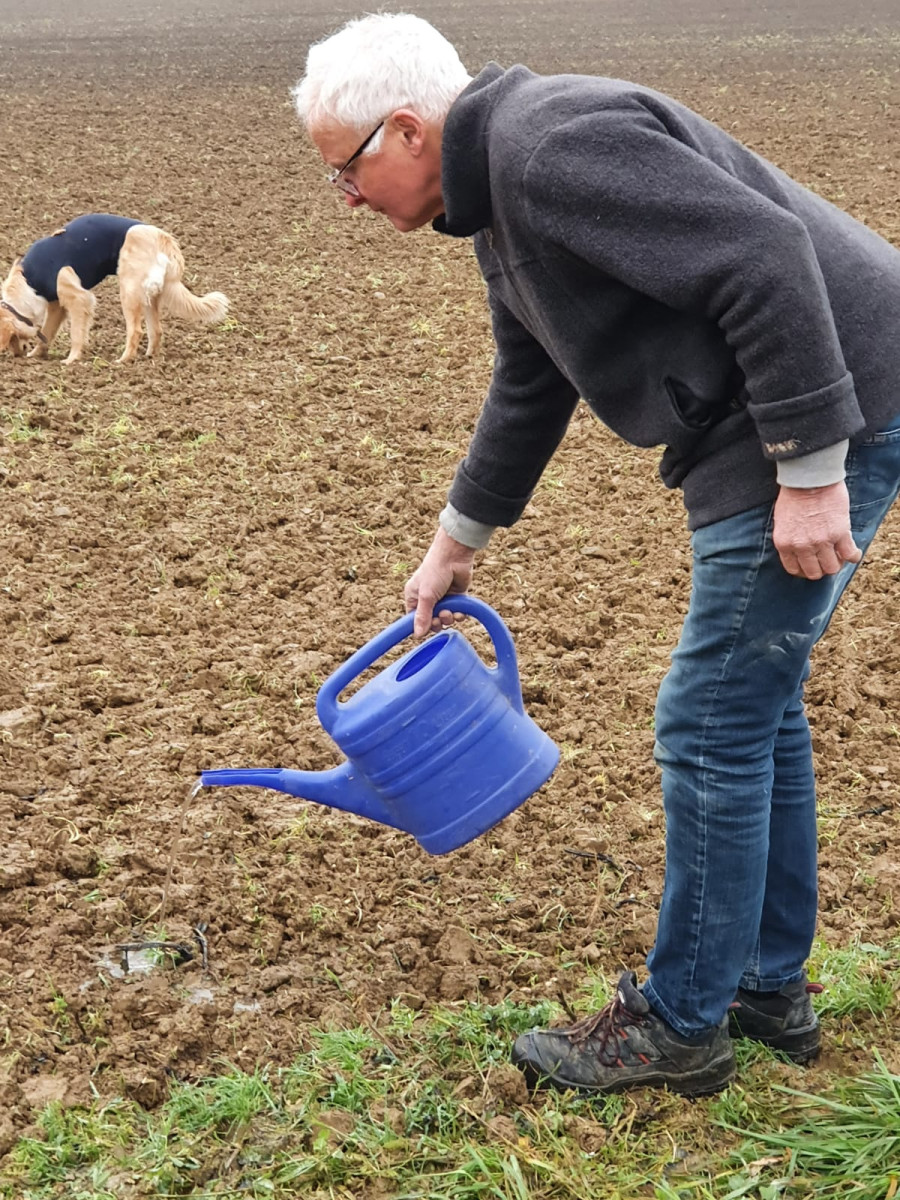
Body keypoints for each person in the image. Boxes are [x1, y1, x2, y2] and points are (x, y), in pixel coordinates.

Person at [292, 13, 900, 1096]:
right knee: (753, 706)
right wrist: (454, 547)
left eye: (344, 171)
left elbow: (764, 252)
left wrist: (812, 469)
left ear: (405, 131)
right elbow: (532, 379)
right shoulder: (496, 202)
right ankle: (765, 985)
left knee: (709, 716)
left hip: (824, 399)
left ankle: (680, 1025)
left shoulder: (548, 147)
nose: (343, 199)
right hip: (762, 419)